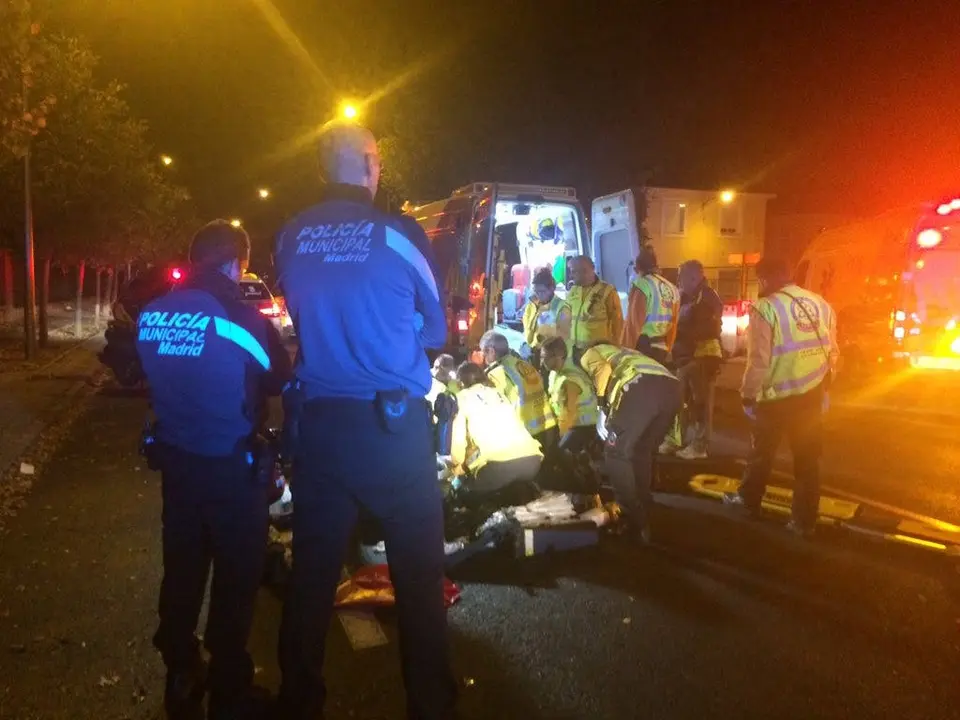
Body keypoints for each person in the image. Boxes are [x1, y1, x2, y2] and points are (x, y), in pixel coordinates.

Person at [273, 122, 457, 719]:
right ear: (372, 164)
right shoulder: (400, 234)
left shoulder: (290, 236)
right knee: (418, 580)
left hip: (322, 429)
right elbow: (436, 328)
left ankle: (299, 702)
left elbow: (303, 312)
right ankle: (430, 708)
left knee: (312, 575)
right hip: (391, 432)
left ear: (321, 169)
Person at [136, 220, 292, 720]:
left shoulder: (152, 314)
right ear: (232, 263)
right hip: (230, 470)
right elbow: (278, 377)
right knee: (235, 580)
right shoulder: (241, 320)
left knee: (182, 571)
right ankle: (229, 691)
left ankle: (181, 674)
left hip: (178, 467)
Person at [723, 256, 839, 538]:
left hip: (775, 398)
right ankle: (803, 522)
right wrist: (825, 386)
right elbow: (833, 351)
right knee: (807, 462)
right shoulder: (820, 304)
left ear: (765, 278)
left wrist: (748, 395)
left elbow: (759, 361)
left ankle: (748, 502)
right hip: (810, 394)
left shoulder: (765, 308)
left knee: (761, 455)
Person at [580, 343, 681, 543]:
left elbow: (602, 371)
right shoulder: (627, 353)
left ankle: (630, 516)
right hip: (673, 390)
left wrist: (601, 407)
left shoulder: (590, 352)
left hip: (642, 388)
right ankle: (643, 503)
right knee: (641, 450)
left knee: (615, 453)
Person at [447, 362, 544, 493]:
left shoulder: (461, 399)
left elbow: (457, 442)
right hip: (532, 461)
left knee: (462, 493)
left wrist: (456, 467)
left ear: (460, 383)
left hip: (496, 467)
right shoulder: (498, 393)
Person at [671, 260, 724, 460]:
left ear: (693, 278)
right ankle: (678, 440)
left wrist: (681, 332)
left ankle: (700, 446)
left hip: (703, 356)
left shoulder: (707, 298)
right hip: (686, 356)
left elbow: (707, 329)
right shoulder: (686, 296)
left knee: (701, 404)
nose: (679, 281)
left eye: (681, 277)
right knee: (681, 401)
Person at [479, 330, 559, 451]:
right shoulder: (525, 365)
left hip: (522, 434)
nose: (483, 358)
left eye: (483, 353)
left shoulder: (495, 374)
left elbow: (493, 410)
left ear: (491, 351)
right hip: (545, 427)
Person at [540, 336, 599, 454]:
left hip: (583, 427)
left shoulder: (570, 380)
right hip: (571, 425)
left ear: (558, 356)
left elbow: (568, 414)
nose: (542, 361)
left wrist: (559, 439)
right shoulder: (554, 374)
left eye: (545, 357)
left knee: (556, 454)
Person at [621, 245, 679, 364]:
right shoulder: (672, 288)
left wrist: (624, 353)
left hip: (643, 348)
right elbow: (674, 324)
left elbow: (633, 324)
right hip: (662, 348)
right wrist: (668, 349)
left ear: (637, 269)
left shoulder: (642, 285)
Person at [562, 256, 623, 365]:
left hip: (598, 355)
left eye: (573, 271)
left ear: (585, 271)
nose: (571, 275)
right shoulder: (573, 291)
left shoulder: (607, 292)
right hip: (575, 353)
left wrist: (615, 352)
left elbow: (618, 326)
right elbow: (564, 317)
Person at [522, 267, 569, 375]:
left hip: (550, 356)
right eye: (536, 291)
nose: (539, 295)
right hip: (532, 354)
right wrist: (526, 345)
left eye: (542, 291)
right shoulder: (531, 306)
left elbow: (564, 335)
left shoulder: (562, 307)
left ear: (552, 289)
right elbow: (527, 327)